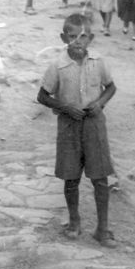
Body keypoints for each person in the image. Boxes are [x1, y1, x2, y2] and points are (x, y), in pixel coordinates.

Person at [37, 13, 118, 248]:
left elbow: (111, 87)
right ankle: (74, 221)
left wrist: (99, 103)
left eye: (82, 37)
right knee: (71, 177)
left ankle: (102, 229)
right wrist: (64, 107)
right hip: (69, 125)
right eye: (72, 36)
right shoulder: (57, 65)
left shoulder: (99, 61)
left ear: (90, 38)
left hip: (94, 124)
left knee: (100, 178)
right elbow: (42, 95)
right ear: (64, 37)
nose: (77, 41)